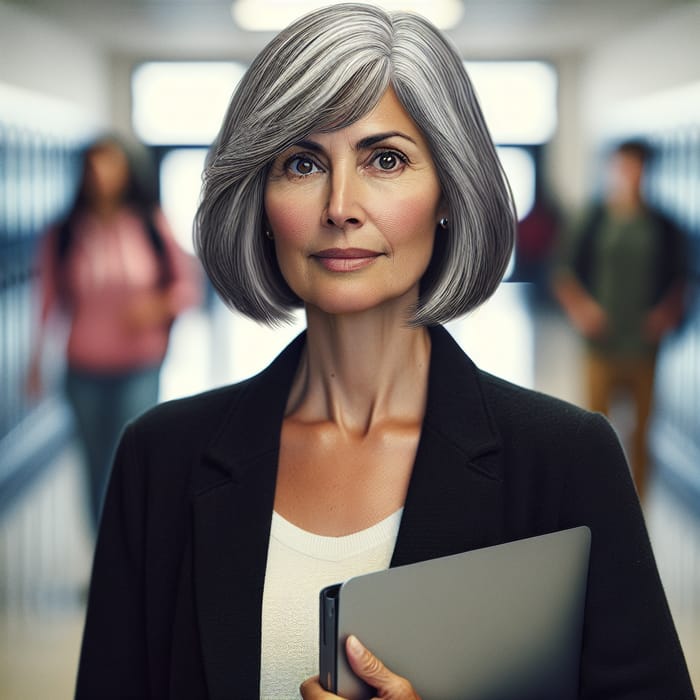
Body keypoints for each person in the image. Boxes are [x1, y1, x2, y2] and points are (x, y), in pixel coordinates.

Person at [75, 6, 694, 699]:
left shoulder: (565, 460)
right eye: (303, 162)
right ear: (259, 197)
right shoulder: (159, 458)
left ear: (448, 195)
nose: (340, 205)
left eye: (386, 159)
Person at [27, 135, 201, 535]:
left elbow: (186, 288)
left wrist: (155, 307)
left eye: (111, 165)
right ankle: (103, 554)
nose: (102, 176)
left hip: (138, 366)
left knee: (131, 460)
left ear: (126, 171)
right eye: (94, 167)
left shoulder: (149, 224)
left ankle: (135, 549)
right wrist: (35, 361)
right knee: (93, 464)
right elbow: (48, 299)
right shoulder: (66, 231)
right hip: (83, 369)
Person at [552, 139, 686, 501]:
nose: (631, 175)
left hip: (643, 343)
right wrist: (583, 310)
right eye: (624, 166)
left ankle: (636, 505)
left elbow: (680, 278)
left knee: (642, 431)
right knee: (596, 427)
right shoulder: (593, 219)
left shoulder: (663, 224)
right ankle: (597, 500)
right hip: (601, 341)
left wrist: (665, 313)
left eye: (638, 167)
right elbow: (564, 273)